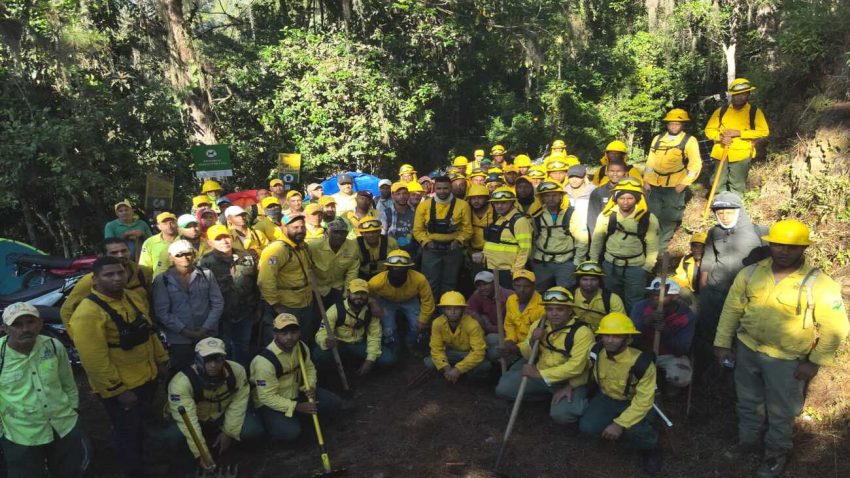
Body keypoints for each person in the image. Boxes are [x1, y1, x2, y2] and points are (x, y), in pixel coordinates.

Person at [714, 220, 848, 477]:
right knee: (748, 401)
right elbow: (732, 310)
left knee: (781, 411)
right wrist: (722, 343)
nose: (783, 251)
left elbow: (835, 327)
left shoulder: (818, 283)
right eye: (777, 245)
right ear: (770, 245)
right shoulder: (751, 273)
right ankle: (748, 443)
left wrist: (814, 361)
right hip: (747, 349)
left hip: (786, 360)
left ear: (803, 249)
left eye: (791, 247)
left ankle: (775, 454)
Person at [69, 256, 169, 478]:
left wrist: (161, 360)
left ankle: (147, 464)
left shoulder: (132, 297)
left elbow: (148, 333)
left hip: (146, 377)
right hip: (123, 387)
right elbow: (94, 360)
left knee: (142, 427)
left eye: (120, 273)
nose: (116, 278)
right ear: (95, 280)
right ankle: (132, 471)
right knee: (127, 433)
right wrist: (118, 391)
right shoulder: (87, 314)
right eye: (109, 274)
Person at [1, 302, 86, 478]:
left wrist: (73, 410)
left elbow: (68, 383)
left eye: (30, 322)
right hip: (21, 434)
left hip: (63, 426)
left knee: (70, 472)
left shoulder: (54, 346)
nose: (25, 329)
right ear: (5, 329)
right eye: (17, 324)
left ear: (39, 324)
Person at [575, 312, 661, 474]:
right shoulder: (596, 352)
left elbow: (643, 400)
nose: (609, 340)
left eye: (616, 336)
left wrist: (619, 424)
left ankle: (651, 449)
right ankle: (619, 433)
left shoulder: (642, 363)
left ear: (628, 339)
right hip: (606, 398)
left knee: (636, 431)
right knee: (587, 428)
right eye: (606, 335)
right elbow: (583, 371)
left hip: (633, 401)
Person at [495, 287, 593, 426]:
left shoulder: (582, 332)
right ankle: (546, 395)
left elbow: (576, 367)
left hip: (569, 381)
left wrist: (539, 374)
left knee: (563, 416)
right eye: (550, 309)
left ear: (570, 310)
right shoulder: (539, 325)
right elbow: (528, 355)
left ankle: (580, 402)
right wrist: (532, 341)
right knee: (503, 389)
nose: (554, 314)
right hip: (541, 375)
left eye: (560, 309)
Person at [694, 192, 768, 370]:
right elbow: (709, 259)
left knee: (739, 329)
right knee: (711, 327)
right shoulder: (715, 232)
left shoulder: (760, 232)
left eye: (728, 212)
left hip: (744, 292)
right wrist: (703, 288)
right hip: (715, 289)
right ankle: (714, 366)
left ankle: (741, 366)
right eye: (720, 213)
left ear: (739, 211)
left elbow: (770, 263)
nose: (724, 217)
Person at [164, 338, 262, 471]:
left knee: (252, 430)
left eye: (218, 359)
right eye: (208, 359)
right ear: (198, 359)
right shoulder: (180, 383)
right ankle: (184, 460)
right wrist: (201, 453)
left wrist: (228, 432)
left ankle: (227, 444)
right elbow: (188, 422)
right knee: (174, 436)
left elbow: (239, 402)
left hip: (219, 416)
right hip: (194, 419)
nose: (213, 365)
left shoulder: (237, 371)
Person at [251, 313, 342, 442]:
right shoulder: (264, 362)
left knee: (333, 402)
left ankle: (297, 417)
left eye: (293, 332)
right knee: (291, 433)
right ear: (275, 334)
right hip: (273, 402)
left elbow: (309, 368)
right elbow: (266, 397)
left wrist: (310, 385)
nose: (290, 337)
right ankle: (272, 424)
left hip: (296, 392)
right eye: (284, 333)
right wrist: (296, 407)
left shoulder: (301, 347)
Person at [152, 239, 224, 372]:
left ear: (194, 255)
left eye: (188, 253)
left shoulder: (206, 274)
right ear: (171, 258)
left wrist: (205, 328)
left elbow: (217, 303)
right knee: (182, 372)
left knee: (210, 370)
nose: (185, 258)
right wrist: (185, 331)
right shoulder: (162, 280)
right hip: (179, 339)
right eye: (179, 255)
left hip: (207, 334)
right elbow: (162, 312)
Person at [589, 179, 660, 312]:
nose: (626, 202)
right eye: (622, 198)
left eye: (630, 198)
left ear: (637, 199)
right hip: (610, 265)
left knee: (634, 302)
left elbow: (653, 245)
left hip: (636, 267)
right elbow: (597, 239)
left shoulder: (648, 218)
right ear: (616, 199)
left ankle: (632, 329)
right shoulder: (606, 216)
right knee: (611, 300)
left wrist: (647, 268)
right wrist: (593, 261)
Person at [61, 238, 152, 335]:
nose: (121, 255)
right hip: (112, 339)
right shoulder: (91, 280)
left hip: (144, 331)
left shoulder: (143, 272)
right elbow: (67, 311)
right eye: (114, 253)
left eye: (124, 251)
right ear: (101, 256)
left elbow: (152, 299)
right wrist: (77, 337)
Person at [198, 225, 258, 368]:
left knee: (243, 347)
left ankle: (241, 375)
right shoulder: (204, 263)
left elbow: (256, 283)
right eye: (218, 239)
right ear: (210, 243)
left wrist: (257, 307)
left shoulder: (246, 256)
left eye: (226, 237)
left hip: (245, 313)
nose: (224, 241)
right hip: (220, 317)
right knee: (221, 350)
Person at [643, 108, 703, 250]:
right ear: (667, 124)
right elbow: (650, 162)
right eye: (671, 123)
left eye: (677, 123)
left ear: (683, 124)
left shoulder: (689, 140)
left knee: (669, 218)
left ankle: (661, 248)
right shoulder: (658, 139)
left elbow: (695, 165)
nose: (674, 126)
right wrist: (646, 180)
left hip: (674, 185)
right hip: (655, 185)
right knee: (652, 216)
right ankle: (649, 245)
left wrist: (683, 184)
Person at [704, 78, 770, 195]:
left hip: (742, 154)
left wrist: (739, 133)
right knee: (717, 182)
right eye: (737, 95)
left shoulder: (754, 112)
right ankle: (720, 206)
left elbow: (764, 131)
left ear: (748, 94)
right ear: (732, 95)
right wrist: (720, 137)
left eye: (744, 94)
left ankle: (736, 208)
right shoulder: (721, 111)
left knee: (737, 184)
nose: (740, 97)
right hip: (721, 151)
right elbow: (709, 130)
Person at [314, 279, 396, 374]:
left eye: (363, 293)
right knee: (319, 355)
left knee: (388, 359)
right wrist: (326, 341)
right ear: (349, 293)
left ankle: (364, 367)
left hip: (358, 344)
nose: (359, 297)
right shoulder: (336, 309)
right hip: (339, 344)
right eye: (356, 293)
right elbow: (322, 332)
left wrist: (369, 361)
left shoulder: (371, 312)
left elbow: (374, 336)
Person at [258, 214, 315, 343]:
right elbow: (265, 280)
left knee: (304, 338)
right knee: (286, 341)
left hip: (306, 301)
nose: (300, 230)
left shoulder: (302, 246)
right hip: (287, 304)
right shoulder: (276, 249)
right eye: (295, 227)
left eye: (302, 227)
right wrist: (276, 305)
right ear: (283, 228)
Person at [413, 175, 472, 300]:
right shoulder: (424, 206)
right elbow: (417, 230)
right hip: (431, 249)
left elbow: (467, 230)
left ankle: (447, 312)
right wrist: (426, 242)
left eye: (445, 188)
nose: (442, 191)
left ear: (451, 188)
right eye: (439, 188)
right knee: (429, 283)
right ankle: (430, 313)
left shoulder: (463, 205)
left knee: (450, 283)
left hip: (453, 249)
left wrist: (458, 241)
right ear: (435, 188)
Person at [630, 278, 696, 390]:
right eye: (653, 294)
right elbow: (630, 337)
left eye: (661, 295)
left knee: (681, 377)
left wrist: (665, 331)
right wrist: (646, 322)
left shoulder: (686, 316)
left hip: (668, 354)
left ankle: (669, 388)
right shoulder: (640, 307)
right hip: (642, 351)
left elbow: (681, 349)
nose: (655, 298)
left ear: (675, 297)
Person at [367, 250, 435, 352]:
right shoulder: (376, 281)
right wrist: (373, 303)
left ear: (409, 268)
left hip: (410, 301)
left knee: (418, 326)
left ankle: (412, 344)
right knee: (388, 328)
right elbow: (367, 295)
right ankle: (393, 345)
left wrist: (423, 320)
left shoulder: (420, 279)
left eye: (402, 269)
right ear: (387, 268)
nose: (398, 271)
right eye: (394, 268)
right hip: (387, 302)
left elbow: (428, 301)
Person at [531, 180, 589, 291]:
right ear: (542, 198)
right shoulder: (536, 214)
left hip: (566, 263)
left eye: (554, 195)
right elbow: (531, 238)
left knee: (565, 294)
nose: (551, 198)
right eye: (547, 195)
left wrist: (577, 262)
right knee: (539, 294)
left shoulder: (571, 213)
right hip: (542, 263)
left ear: (561, 196)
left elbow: (582, 239)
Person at [425, 291, 493, 381]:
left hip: (469, 353)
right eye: (448, 309)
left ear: (462, 310)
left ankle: (464, 374)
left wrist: (458, 369)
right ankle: (451, 372)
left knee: (485, 366)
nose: (452, 312)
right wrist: (446, 368)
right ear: (443, 310)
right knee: (429, 362)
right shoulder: (437, 323)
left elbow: (478, 352)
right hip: (451, 353)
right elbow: (436, 349)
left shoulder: (472, 324)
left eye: (456, 309)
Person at [480, 187, 532, 288]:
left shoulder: (520, 221)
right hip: (492, 268)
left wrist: (516, 271)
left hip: (507, 271)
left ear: (512, 203)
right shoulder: (500, 218)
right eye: (496, 203)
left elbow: (525, 249)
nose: (499, 206)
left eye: (504, 203)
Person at [307, 218, 360, 305]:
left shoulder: (353, 246)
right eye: (335, 232)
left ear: (347, 234)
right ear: (327, 233)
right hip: (316, 289)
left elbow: (352, 272)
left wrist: (347, 293)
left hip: (337, 288)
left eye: (342, 233)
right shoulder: (314, 246)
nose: (338, 236)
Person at [499, 269, 545, 362]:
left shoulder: (542, 305)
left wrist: (517, 348)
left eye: (527, 286)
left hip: (533, 348)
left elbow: (537, 338)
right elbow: (509, 324)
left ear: (533, 287)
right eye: (518, 286)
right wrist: (510, 340)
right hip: (514, 343)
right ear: (513, 285)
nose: (522, 290)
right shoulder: (511, 300)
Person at [465, 271, 513, 354]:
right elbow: (466, 309)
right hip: (491, 329)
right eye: (479, 285)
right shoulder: (479, 294)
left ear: (495, 283)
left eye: (486, 284)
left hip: (510, 333)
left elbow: (513, 325)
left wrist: (488, 328)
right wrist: (475, 315)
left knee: (490, 340)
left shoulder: (509, 296)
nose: (482, 288)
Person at [572, 261, 625, 331]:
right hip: (573, 335)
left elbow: (620, 324)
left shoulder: (612, 298)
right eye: (584, 279)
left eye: (593, 280)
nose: (589, 283)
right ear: (578, 281)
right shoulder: (569, 295)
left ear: (600, 281)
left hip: (604, 336)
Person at [586, 158, 628, 235]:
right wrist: (594, 237)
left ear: (625, 173)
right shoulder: (598, 192)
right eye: (611, 171)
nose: (615, 174)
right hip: (605, 236)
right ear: (606, 172)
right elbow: (592, 218)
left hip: (630, 236)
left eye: (619, 171)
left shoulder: (636, 191)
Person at [356, 216, 398, 280]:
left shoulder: (392, 243)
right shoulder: (355, 244)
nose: (371, 235)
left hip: (385, 276)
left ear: (380, 231)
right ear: (362, 233)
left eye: (374, 232)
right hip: (362, 276)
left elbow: (397, 264)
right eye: (367, 232)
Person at [139, 212, 178, 277]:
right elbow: (145, 267)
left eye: (172, 222)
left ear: (176, 224)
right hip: (159, 281)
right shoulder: (150, 242)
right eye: (165, 223)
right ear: (159, 226)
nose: (169, 226)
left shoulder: (184, 239)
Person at [381, 182, 415, 256]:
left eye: (405, 193)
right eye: (398, 194)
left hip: (412, 253)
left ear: (408, 194)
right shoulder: (387, 213)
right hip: (391, 253)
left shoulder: (414, 212)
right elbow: (382, 234)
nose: (402, 196)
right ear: (393, 195)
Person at [466, 184, 492, 276]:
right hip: (473, 254)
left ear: (486, 199)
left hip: (492, 254)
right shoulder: (467, 212)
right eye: (473, 198)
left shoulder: (495, 212)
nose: (476, 201)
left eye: (480, 198)